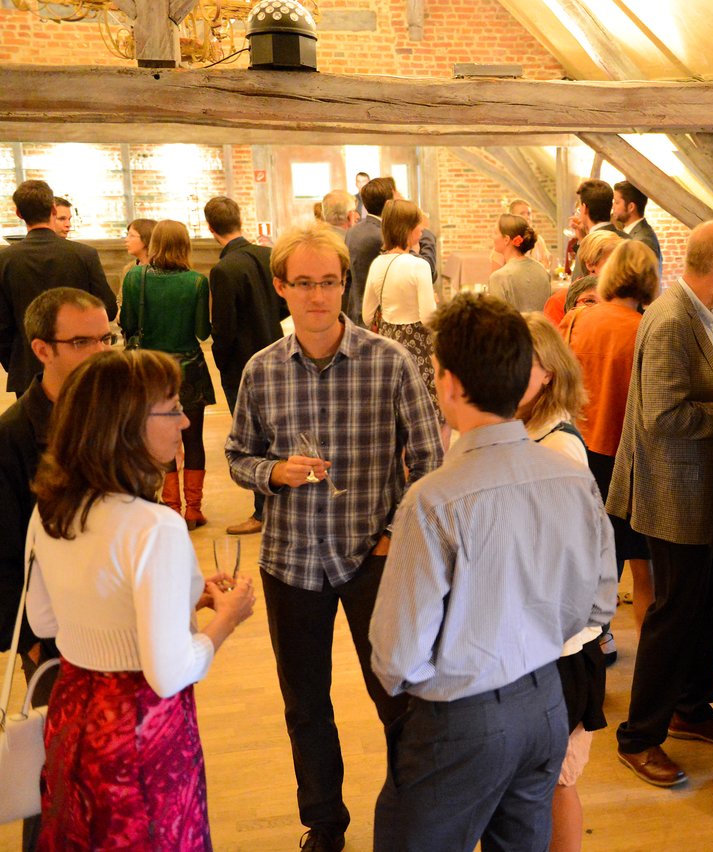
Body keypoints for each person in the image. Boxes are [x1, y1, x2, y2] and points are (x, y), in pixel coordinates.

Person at [369, 293, 615, 852]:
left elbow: (395, 657)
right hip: (545, 702)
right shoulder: (571, 476)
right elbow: (599, 605)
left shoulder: (434, 500)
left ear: (451, 383)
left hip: (461, 717)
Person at [225, 220, 442, 852]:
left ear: (345, 282)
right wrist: (273, 473)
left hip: (371, 558)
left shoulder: (392, 362)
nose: (318, 296)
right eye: (304, 284)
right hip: (290, 562)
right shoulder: (262, 371)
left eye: (328, 282)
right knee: (306, 705)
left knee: (397, 694)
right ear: (281, 288)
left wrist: (394, 534)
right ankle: (324, 822)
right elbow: (239, 455)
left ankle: (414, 814)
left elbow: (429, 462)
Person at [26, 348, 255, 849]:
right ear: (126, 424)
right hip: (140, 729)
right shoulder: (155, 527)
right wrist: (228, 618)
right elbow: (169, 671)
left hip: (72, 716)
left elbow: (47, 618)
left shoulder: (51, 509)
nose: (186, 420)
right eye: (171, 407)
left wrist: (177, 603)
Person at [608, 219, 713, 787]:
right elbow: (662, 418)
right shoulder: (672, 319)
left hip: (698, 495)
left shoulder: (692, 311)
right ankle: (638, 736)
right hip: (675, 495)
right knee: (672, 616)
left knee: (700, 608)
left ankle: (690, 707)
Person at [0, 288, 113, 852]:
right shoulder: (15, 436)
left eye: (105, 338)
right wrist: (31, 644)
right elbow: (4, 552)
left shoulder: (118, 417)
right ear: (42, 349)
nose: (100, 352)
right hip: (55, 637)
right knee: (56, 772)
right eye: (82, 342)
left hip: (119, 629)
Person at [516, 313, 607, 852]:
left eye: (519, 365)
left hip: (561, 652)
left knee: (555, 782)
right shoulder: (522, 432)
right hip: (536, 645)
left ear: (548, 372)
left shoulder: (557, 447)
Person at [564, 240, 660, 638]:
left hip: (578, 452)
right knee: (645, 570)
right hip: (629, 462)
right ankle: (650, 663)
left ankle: (594, 647)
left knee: (593, 567)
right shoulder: (646, 330)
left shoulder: (574, 320)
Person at [120, 220, 216, 531]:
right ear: (185, 245)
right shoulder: (197, 282)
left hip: (150, 372)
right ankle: (194, 509)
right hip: (189, 370)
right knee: (193, 439)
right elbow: (202, 332)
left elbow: (130, 325)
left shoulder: (136, 277)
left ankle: (172, 507)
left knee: (161, 440)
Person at [205, 196, 287, 535]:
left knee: (251, 439)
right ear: (239, 219)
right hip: (278, 352)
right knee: (278, 432)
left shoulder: (223, 269)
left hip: (242, 364)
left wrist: (221, 361)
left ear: (210, 229)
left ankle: (261, 512)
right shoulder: (268, 257)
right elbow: (284, 305)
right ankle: (279, 505)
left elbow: (222, 328)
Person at [0, 179, 117, 395]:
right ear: (53, 210)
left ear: (18, 213)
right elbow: (108, 308)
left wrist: (16, 361)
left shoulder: (4, 259)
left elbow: (2, 326)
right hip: (81, 364)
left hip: (28, 365)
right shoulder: (84, 255)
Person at [362, 199, 441, 419]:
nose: (422, 228)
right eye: (418, 224)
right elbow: (428, 317)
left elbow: (367, 315)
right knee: (431, 412)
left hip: (388, 342)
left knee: (397, 411)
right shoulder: (419, 265)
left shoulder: (378, 263)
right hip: (419, 348)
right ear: (407, 228)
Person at [345, 176, 396, 327]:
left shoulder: (353, 231)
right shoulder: (382, 236)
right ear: (388, 203)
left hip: (354, 310)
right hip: (374, 318)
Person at [544, 229, 622, 324]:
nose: (620, 268)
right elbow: (553, 338)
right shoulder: (560, 300)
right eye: (613, 261)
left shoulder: (621, 298)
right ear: (590, 264)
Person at [487, 213, 552, 312]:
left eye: (495, 233)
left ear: (506, 239)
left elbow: (497, 319)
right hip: (540, 326)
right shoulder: (542, 270)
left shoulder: (498, 277)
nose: (492, 237)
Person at [569, 179, 621, 281]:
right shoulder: (628, 239)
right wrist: (582, 239)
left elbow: (576, 290)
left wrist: (584, 244)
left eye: (579, 206)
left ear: (584, 208)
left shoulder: (589, 247)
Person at [611, 181, 663, 276]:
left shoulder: (643, 240)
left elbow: (643, 283)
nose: (613, 207)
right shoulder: (629, 233)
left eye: (617, 202)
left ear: (631, 207)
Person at [509, 198, 555, 271]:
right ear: (512, 217)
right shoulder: (507, 240)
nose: (527, 217)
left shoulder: (538, 239)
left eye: (529, 213)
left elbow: (546, 264)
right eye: (522, 213)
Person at [119, 218, 157, 303]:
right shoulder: (129, 268)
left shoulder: (162, 268)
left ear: (147, 238)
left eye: (131, 236)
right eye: (127, 235)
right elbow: (121, 301)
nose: (126, 240)